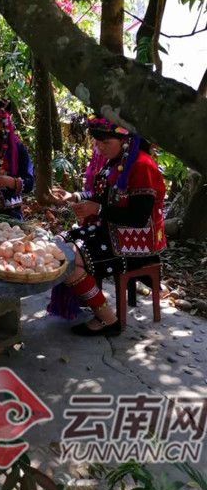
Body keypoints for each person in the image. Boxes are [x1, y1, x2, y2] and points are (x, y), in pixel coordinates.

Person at [48, 116, 166, 337]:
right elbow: (102, 197)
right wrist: (73, 196)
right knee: (57, 245)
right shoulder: (118, 160)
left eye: (105, 142)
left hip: (136, 243)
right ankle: (85, 295)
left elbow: (138, 218)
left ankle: (108, 320)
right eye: (97, 142)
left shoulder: (142, 166)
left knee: (68, 260)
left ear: (125, 140)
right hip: (111, 231)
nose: (99, 148)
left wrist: (97, 210)